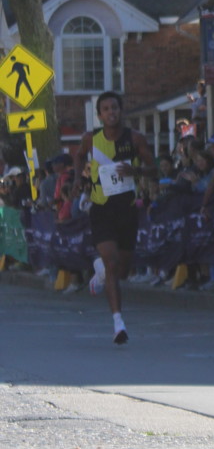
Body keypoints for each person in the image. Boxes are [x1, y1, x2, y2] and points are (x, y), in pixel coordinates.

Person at [70, 90, 158, 345]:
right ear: (99, 115)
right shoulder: (91, 139)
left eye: (115, 108)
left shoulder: (136, 138)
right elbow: (78, 156)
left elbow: (154, 169)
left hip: (127, 208)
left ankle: (100, 273)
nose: (111, 113)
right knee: (112, 260)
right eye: (106, 109)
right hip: (101, 208)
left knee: (121, 269)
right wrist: (77, 179)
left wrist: (136, 170)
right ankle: (118, 323)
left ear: (121, 111)